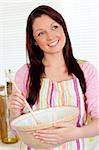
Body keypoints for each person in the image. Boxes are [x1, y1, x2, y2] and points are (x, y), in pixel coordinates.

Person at [9, 5, 99, 150]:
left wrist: (75, 133)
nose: (50, 36)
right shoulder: (25, 73)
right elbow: (15, 130)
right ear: (34, 41)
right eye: (41, 33)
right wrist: (14, 111)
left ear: (64, 28)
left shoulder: (86, 70)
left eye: (54, 27)